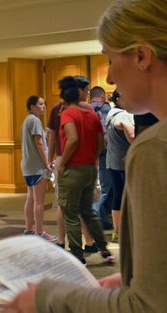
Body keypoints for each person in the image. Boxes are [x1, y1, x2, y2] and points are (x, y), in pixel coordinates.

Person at [8, 0, 167, 312]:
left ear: (142, 56)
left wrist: (46, 298)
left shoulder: (161, 149)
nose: (111, 77)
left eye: (110, 58)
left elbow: (157, 306)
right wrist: (135, 276)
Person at [54, 76, 114, 265]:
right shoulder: (91, 114)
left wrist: (62, 163)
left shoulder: (68, 114)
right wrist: (93, 158)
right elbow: (99, 142)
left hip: (73, 170)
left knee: (70, 214)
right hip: (90, 169)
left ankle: (78, 255)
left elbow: (72, 139)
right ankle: (104, 249)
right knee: (88, 211)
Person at [46, 77, 98, 251]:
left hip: (64, 159)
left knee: (64, 204)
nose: (87, 94)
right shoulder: (87, 109)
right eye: (86, 90)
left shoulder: (56, 109)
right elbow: (94, 139)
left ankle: (61, 241)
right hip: (83, 160)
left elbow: (52, 138)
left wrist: (51, 159)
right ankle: (89, 241)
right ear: (79, 91)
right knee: (84, 204)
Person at [20, 95, 55, 240]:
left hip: (27, 166)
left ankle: (29, 229)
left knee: (31, 199)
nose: (44, 106)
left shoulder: (27, 120)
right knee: (39, 201)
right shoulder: (35, 120)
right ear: (32, 106)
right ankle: (40, 232)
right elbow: (39, 142)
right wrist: (47, 163)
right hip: (37, 166)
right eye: (40, 104)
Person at [105, 91, 135, 243]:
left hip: (112, 161)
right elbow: (132, 137)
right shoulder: (123, 115)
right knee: (127, 196)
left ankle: (117, 230)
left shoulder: (110, 114)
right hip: (124, 162)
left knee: (117, 195)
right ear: (119, 100)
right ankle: (126, 230)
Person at [89, 86, 113, 230]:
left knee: (92, 186)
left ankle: (93, 217)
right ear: (103, 96)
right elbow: (106, 130)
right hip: (103, 152)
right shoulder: (105, 108)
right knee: (104, 187)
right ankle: (99, 219)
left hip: (87, 153)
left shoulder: (84, 109)